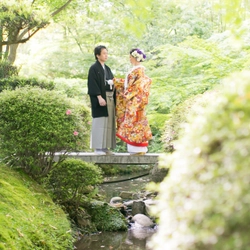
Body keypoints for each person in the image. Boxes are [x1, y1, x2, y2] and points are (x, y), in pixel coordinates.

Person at [114, 48, 152, 155]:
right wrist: (115, 81)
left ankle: (138, 149)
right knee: (134, 123)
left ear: (134, 58)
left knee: (135, 122)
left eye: (130, 57)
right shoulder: (135, 70)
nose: (129, 58)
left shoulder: (139, 71)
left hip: (136, 101)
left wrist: (127, 95)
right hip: (133, 100)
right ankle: (135, 148)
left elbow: (136, 86)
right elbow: (128, 85)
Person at [87, 45, 116, 155]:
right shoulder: (94, 68)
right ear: (97, 55)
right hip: (100, 98)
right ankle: (98, 148)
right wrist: (99, 97)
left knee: (108, 123)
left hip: (109, 97)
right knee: (99, 123)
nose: (106, 55)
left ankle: (105, 147)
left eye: (107, 53)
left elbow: (112, 81)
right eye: (103, 53)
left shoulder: (107, 68)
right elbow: (92, 84)